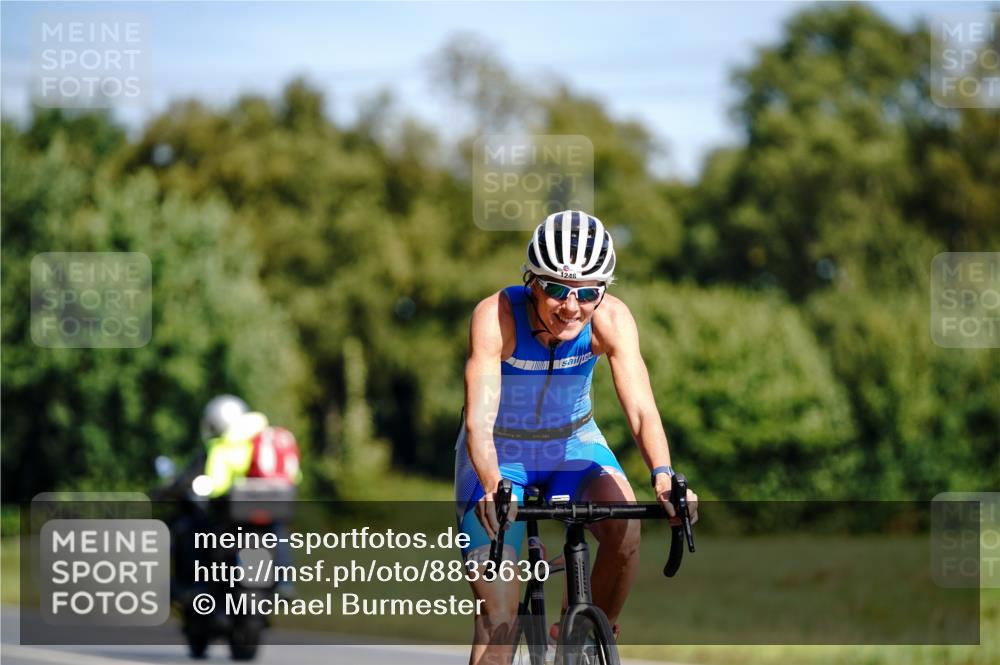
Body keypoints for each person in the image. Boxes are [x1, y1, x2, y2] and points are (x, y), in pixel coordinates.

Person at [454, 210, 699, 665]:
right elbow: (478, 423)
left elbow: (643, 410)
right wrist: (492, 485)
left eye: (587, 293)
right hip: (499, 455)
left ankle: (582, 638)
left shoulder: (612, 319)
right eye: (556, 290)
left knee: (624, 529)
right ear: (531, 281)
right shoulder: (496, 316)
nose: (571, 307)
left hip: (573, 446)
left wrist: (664, 477)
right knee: (499, 624)